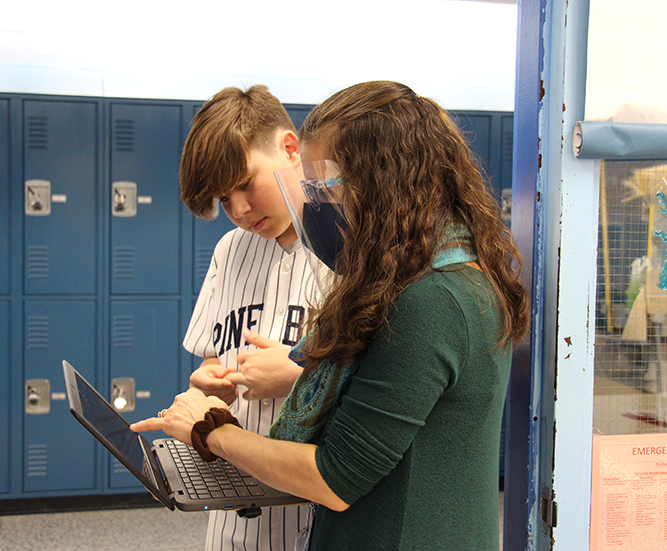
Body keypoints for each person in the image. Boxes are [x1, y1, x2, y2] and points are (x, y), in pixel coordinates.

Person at [134, 80, 531, 551]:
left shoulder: (431, 300)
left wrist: (213, 429)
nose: (320, 205)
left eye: (326, 186)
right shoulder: (407, 278)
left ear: (382, 181)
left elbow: (337, 476)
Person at [178, 85, 323, 551]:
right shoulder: (229, 250)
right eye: (224, 199)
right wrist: (207, 380)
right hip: (233, 509)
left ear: (289, 148)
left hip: (315, 514)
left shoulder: (350, 249)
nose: (238, 210)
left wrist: (300, 373)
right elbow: (207, 362)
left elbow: (382, 385)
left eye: (245, 183)